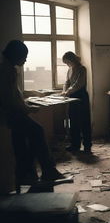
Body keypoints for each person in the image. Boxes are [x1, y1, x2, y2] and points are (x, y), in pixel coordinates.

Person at [0, 40, 65, 184]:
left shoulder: (7, 68)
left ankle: (27, 174)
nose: (25, 59)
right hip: (13, 114)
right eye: (24, 56)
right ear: (16, 55)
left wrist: (28, 97)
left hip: (13, 113)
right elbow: (10, 99)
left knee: (21, 145)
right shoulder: (8, 71)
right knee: (37, 131)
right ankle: (48, 171)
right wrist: (28, 108)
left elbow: (14, 95)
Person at [62, 51, 92, 154]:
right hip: (72, 97)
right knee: (74, 122)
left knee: (84, 122)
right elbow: (67, 82)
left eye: (67, 62)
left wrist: (68, 92)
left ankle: (87, 145)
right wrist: (64, 91)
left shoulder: (82, 69)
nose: (67, 64)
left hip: (81, 96)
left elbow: (78, 84)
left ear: (72, 60)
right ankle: (75, 144)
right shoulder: (69, 70)